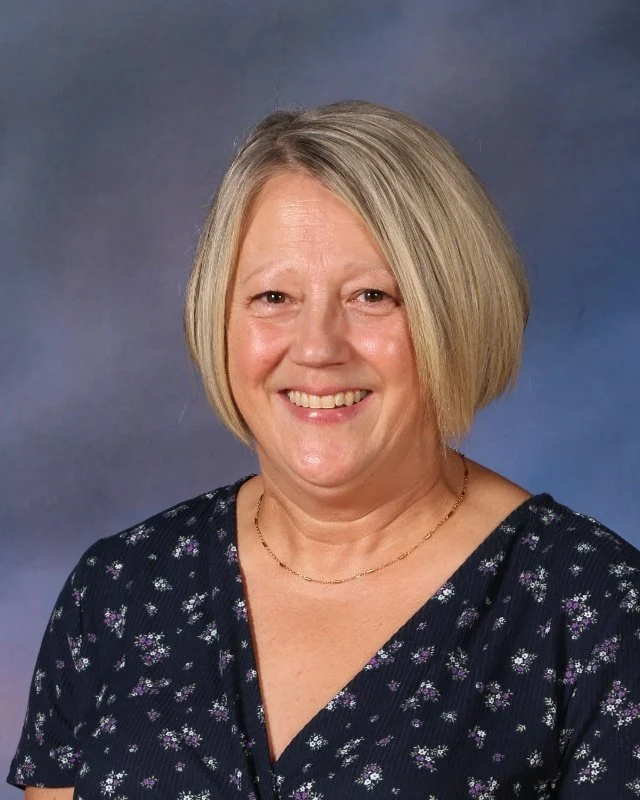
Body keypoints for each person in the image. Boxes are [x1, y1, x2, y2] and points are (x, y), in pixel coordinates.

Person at [8, 101, 640, 799]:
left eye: (373, 296)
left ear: (454, 312)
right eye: (274, 296)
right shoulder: (119, 591)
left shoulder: (593, 610)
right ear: (219, 317)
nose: (316, 348)